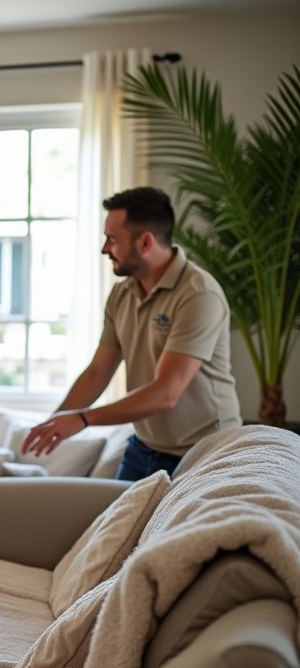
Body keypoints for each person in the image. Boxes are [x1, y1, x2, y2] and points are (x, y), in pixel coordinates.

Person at [21, 186, 241, 480]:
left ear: (146, 242)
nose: (104, 249)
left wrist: (84, 419)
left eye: (112, 239)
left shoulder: (198, 294)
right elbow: (98, 371)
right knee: (116, 527)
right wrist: (55, 423)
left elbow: (167, 392)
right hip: (143, 448)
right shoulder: (121, 294)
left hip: (204, 453)